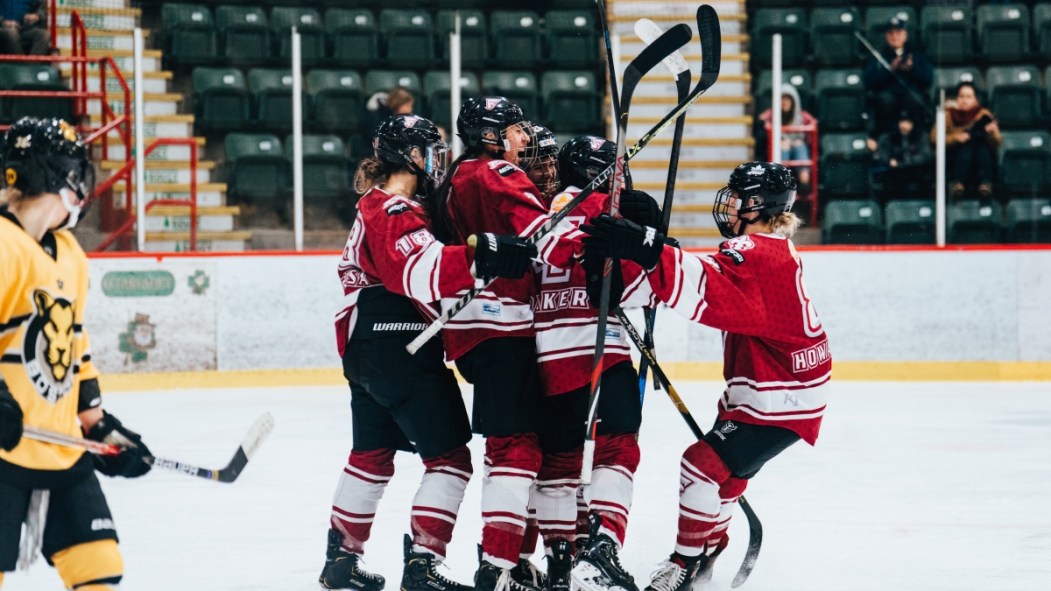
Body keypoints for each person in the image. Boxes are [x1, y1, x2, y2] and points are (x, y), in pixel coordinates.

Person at [580, 162, 831, 591]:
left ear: (757, 204)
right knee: (725, 476)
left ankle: (685, 565)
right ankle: (710, 546)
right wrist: (648, 253)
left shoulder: (755, 253)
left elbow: (706, 286)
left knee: (700, 468)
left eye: (737, 198)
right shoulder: (769, 248)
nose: (729, 205)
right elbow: (711, 279)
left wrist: (647, 247)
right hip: (783, 390)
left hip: (778, 399)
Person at [322, 114, 536, 591]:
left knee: (371, 454)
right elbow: (419, 271)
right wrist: (485, 254)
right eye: (428, 150)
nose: (435, 159)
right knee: (451, 460)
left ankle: (340, 561)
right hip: (399, 343)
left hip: (366, 349)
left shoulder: (386, 206)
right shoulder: (390, 209)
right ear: (409, 156)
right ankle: (423, 564)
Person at [0, 117, 153, 589]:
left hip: (59, 448)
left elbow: (73, 350)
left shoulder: (69, 252)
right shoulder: (4, 246)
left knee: (99, 569)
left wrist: (97, 422)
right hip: (3, 453)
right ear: (54, 175)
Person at [428, 96, 571, 591]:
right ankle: (498, 565)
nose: (525, 138)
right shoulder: (496, 175)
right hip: (502, 325)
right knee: (517, 448)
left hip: (474, 331)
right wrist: (588, 215)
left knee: (513, 445)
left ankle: (507, 559)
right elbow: (548, 239)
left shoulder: (458, 178)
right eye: (514, 129)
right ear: (491, 136)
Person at [524, 134, 662, 591]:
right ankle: (602, 547)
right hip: (598, 344)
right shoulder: (580, 205)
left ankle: (564, 563)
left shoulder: (550, 210)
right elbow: (621, 280)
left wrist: (646, 239)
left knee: (561, 461)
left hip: (551, 354)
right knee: (619, 444)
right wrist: (644, 240)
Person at [863, 16, 932, 139]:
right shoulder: (879, 56)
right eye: (891, 33)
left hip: (911, 97)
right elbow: (869, 81)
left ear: (905, 35)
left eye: (898, 32)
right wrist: (889, 69)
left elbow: (927, 79)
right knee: (885, 100)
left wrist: (912, 69)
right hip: (888, 99)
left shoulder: (916, 54)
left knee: (916, 99)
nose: (894, 36)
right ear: (886, 36)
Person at [933, 82, 1001, 201]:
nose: (964, 100)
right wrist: (955, 137)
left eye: (969, 97)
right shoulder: (948, 115)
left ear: (975, 99)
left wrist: (992, 132)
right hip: (955, 156)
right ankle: (957, 184)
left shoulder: (983, 114)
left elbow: (997, 141)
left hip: (979, 159)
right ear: (956, 98)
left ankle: (986, 184)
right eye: (961, 96)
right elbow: (934, 137)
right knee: (966, 148)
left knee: (980, 148)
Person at [757, 84, 816, 194]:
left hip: (796, 149)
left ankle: (804, 181)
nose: (785, 102)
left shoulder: (803, 117)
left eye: (788, 98)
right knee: (783, 145)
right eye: (782, 98)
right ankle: (781, 182)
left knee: (800, 146)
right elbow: (762, 129)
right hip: (779, 150)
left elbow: (812, 129)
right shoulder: (769, 115)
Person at [872, 110, 933, 200]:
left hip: (915, 171)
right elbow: (882, 153)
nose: (904, 125)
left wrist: (904, 163)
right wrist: (889, 160)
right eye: (902, 121)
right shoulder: (889, 137)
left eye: (908, 122)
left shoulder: (921, 136)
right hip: (895, 173)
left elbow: (925, 155)